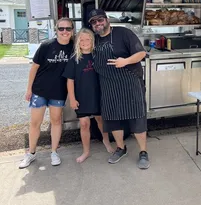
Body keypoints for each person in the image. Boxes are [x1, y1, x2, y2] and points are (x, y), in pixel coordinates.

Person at [89, 9, 150, 169]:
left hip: (130, 83)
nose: (98, 23)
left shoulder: (123, 33)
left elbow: (141, 53)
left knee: (137, 118)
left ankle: (143, 152)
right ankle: (121, 148)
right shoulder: (94, 40)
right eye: (94, 22)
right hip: (108, 87)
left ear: (106, 19)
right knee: (113, 120)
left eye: (100, 19)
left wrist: (125, 61)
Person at [19, 18, 74, 169]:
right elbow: (34, 68)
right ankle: (31, 153)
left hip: (58, 92)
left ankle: (54, 152)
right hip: (40, 90)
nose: (64, 32)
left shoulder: (74, 48)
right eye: (61, 29)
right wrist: (29, 89)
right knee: (35, 123)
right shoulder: (46, 45)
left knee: (56, 121)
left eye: (68, 29)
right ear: (56, 30)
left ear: (72, 30)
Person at [63, 28, 113, 163]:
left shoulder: (98, 55)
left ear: (93, 41)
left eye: (88, 39)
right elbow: (70, 80)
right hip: (82, 97)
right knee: (84, 124)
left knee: (101, 120)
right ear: (78, 42)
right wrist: (72, 99)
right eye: (82, 40)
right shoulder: (74, 59)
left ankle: (106, 141)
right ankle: (86, 151)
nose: (85, 42)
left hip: (98, 95)